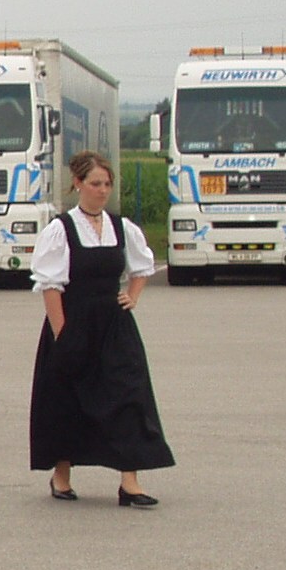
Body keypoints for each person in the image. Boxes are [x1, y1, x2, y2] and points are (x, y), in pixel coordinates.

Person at [30, 150, 173, 506]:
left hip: (114, 325)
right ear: (78, 184)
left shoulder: (121, 226)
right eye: (95, 183)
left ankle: (130, 481)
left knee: (129, 393)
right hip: (72, 321)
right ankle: (61, 476)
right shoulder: (60, 229)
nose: (102, 190)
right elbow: (50, 285)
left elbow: (143, 268)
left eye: (107, 184)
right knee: (66, 398)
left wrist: (132, 297)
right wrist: (62, 334)